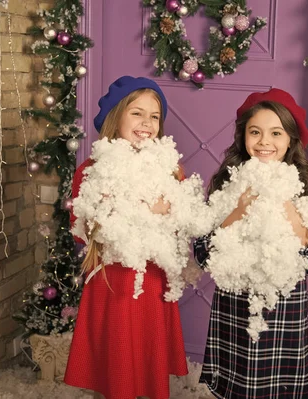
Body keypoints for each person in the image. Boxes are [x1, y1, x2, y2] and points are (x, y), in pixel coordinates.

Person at [194, 88, 308, 399]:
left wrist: (293, 217)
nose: (264, 141)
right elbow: (202, 255)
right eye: (255, 132)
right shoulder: (226, 186)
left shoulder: (303, 192)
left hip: (284, 313)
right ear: (243, 138)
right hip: (235, 308)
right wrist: (237, 212)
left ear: (291, 140)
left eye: (275, 133)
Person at [64, 76, 188, 399]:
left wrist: (167, 213)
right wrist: (105, 215)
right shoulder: (92, 170)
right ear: (115, 116)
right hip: (112, 282)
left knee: (148, 359)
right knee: (114, 361)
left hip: (152, 282)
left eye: (155, 116)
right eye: (137, 113)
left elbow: (182, 225)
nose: (147, 123)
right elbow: (81, 230)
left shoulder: (171, 170)